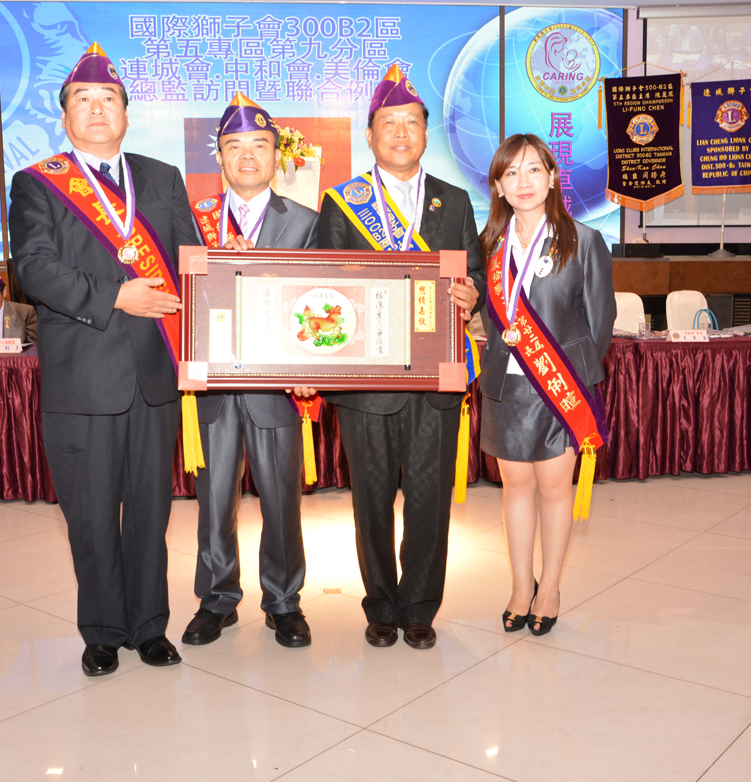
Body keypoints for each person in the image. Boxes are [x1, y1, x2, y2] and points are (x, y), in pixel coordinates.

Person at [8, 43, 200, 677]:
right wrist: (117, 295)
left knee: (150, 511)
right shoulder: (38, 183)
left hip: (154, 375)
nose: (96, 109)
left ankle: (149, 627)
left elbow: (194, 265)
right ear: (65, 116)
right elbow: (34, 268)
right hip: (83, 377)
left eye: (108, 99)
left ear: (126, 114)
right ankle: (102, 631)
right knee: (90, 516)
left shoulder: (162, 177)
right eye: (83, 100)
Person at [318, 65, 484, 650]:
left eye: (411, 122)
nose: (400, 132)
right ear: (370, 135)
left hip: (436, 377)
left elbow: (476, 271)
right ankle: (381, 605)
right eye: (388, 123)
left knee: (429, 499)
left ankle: (419, 606)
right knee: (370, 499)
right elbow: (325, 284)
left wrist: (472, 294)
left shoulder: (454, 201)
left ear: (425, 132)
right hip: (367, 381)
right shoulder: (342, 204)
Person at [182, 93, 319, 650]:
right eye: (233, 146)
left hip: (278, 387)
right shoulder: (193, 219)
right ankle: (217, 599)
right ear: (218, 156)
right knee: (214, 500)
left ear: (276, 155)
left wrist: (312, 367)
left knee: (281, 500)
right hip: (213, 386)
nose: (246, 156)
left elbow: (320, 301)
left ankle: (284, 601)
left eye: (259, 145)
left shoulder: (307, 221)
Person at [477, 134, 614, 636]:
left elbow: (600, 323)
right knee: (515, 489)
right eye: (511, 173)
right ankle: (521, 587)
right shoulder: (489, 245)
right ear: (498, 187)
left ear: (552, 177)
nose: (524, 181)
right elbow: (487, 316)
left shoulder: (583, 240)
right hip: (507, 387)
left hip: (560, 387)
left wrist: (569, 374)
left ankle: (550, 587)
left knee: (556, 491)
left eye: (534, 169)